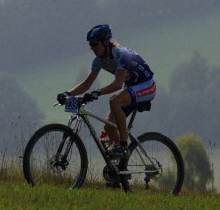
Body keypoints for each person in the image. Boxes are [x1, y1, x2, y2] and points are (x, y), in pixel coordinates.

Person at [57, 24, 156, 158]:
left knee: (114, 101)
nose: (92, 48)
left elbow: (117, 84)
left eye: (95, 44)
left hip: (146, 85)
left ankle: (123, 146)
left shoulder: (122, 55)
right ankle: (118, 166)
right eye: (90, 45)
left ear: (105, 42)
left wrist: (97, 92)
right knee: (108, 126)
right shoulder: (99, 61)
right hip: (130, 87)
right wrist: (68, 94)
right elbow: (86, 84)